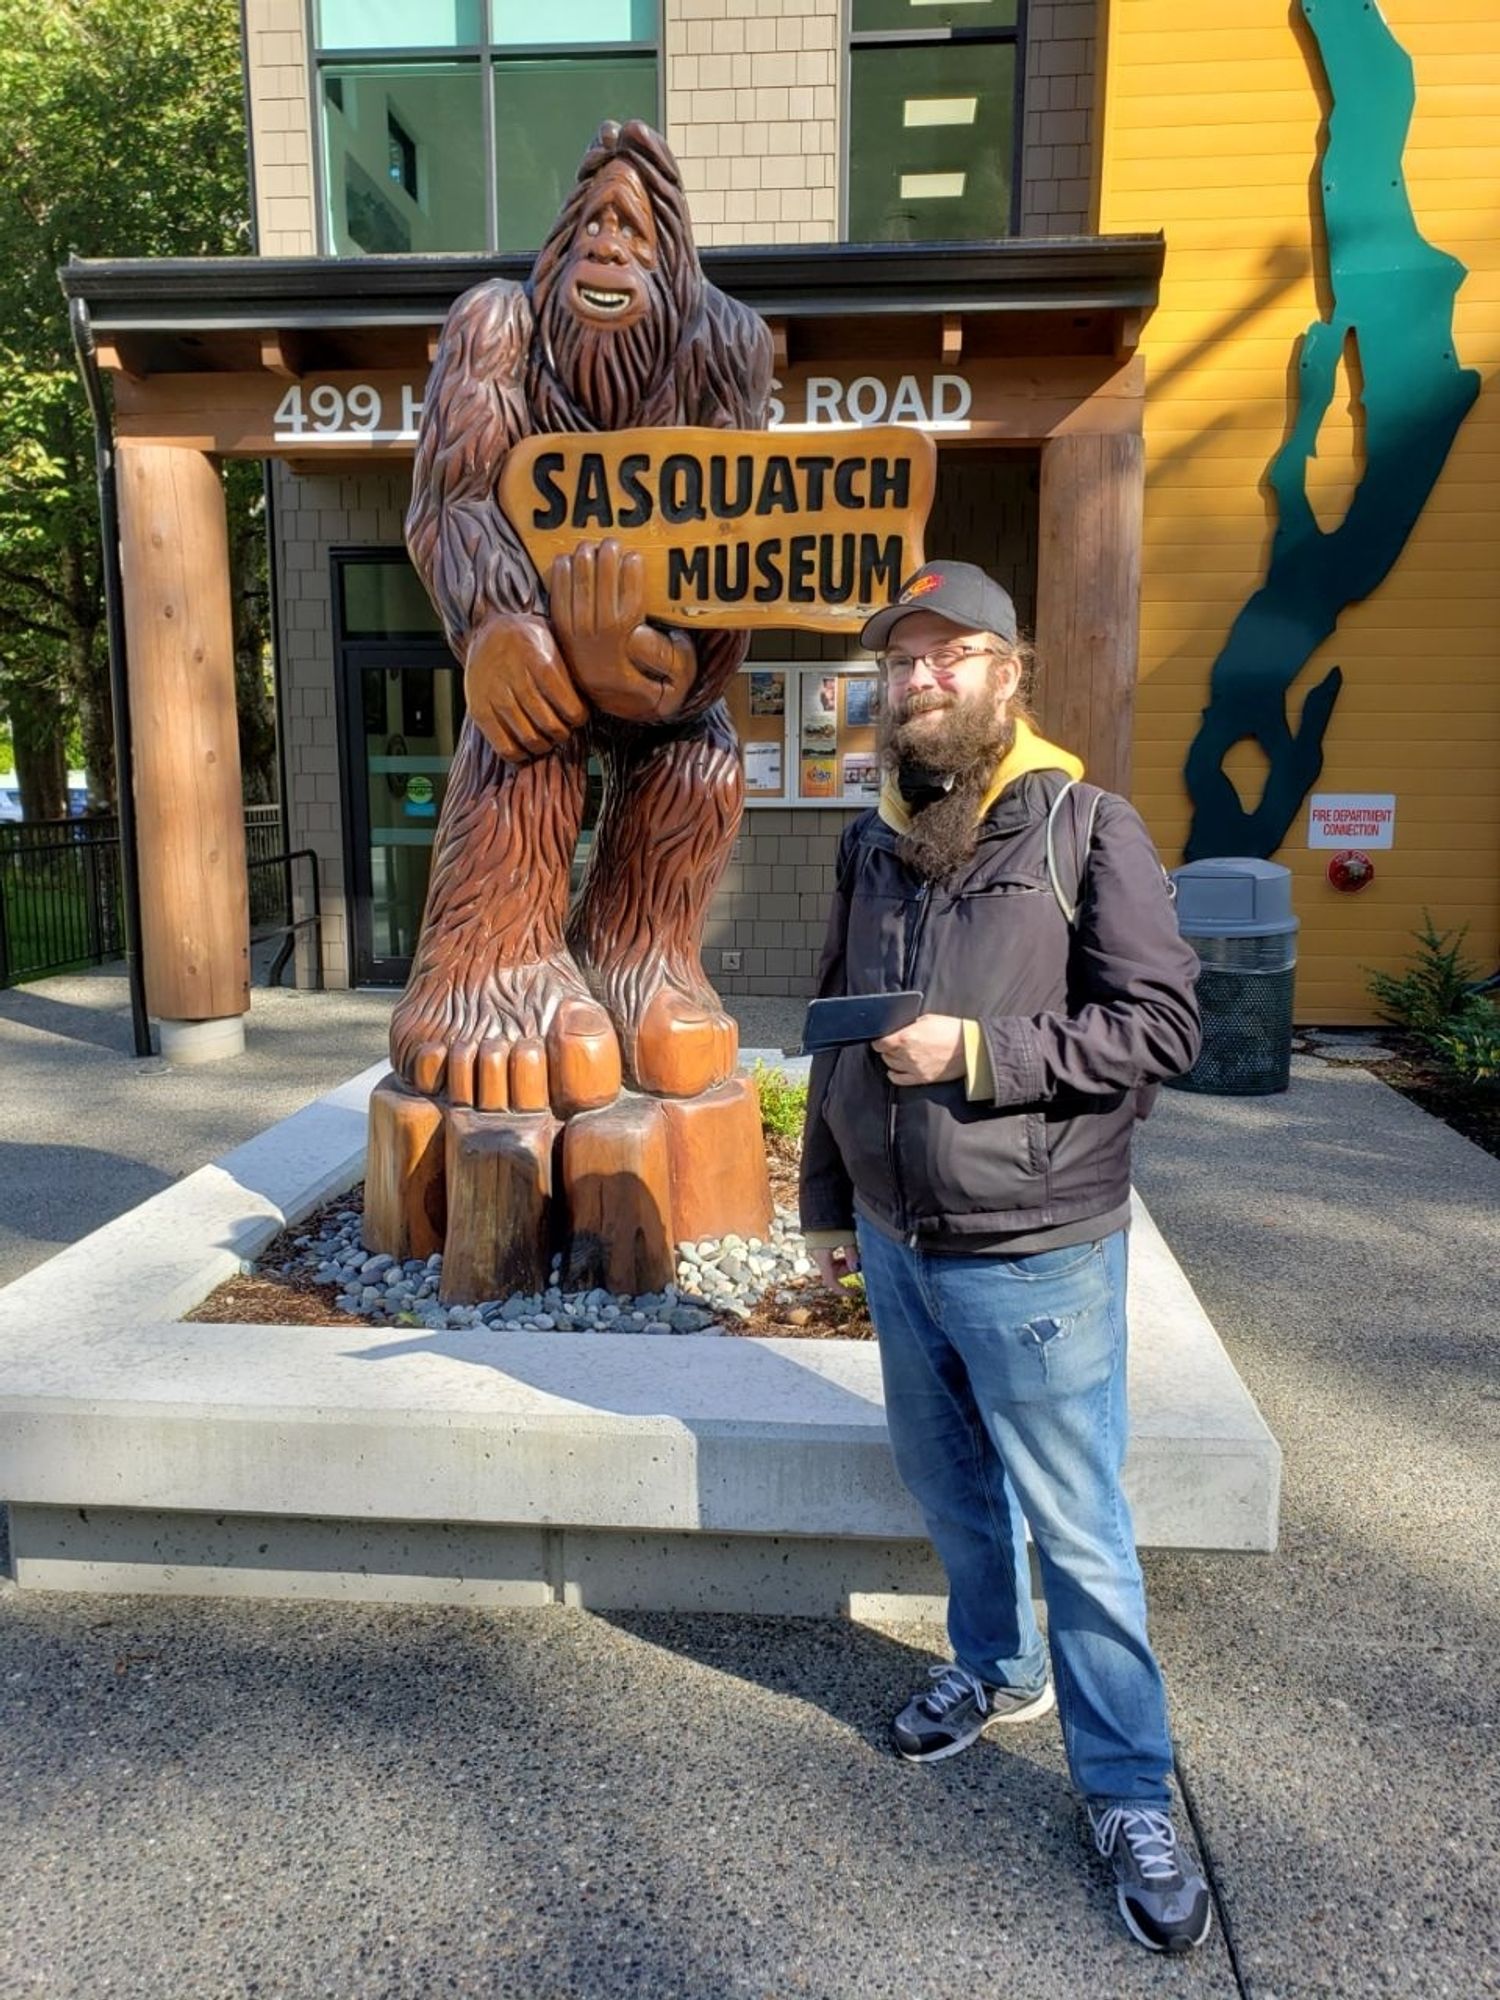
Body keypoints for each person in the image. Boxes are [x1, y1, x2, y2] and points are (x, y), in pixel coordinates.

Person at [799, 561, 1211, 1955]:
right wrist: (828, 1205)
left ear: (1008, 670)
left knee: (1082, 1528)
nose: (920, 680)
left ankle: (1130, 1788)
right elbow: (835, 1024)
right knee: (951, 1484)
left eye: (950, 656)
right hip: (897, 1236)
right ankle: (995, 1665)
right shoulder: (871, 839)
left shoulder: (1087, 827)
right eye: (902, 662)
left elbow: (1162, 1026)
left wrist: (982, 1054)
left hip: (1035, 1248)